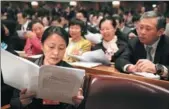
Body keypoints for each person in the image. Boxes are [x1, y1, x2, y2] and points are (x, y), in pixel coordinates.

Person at [10, 26, 84, 109]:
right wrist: (22, 102)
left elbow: (80, 105)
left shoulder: (72, 73)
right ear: (42, 46)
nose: (56, 53)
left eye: (61, 48)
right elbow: (13, 103)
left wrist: (76, 103)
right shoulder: (27, 68)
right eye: (51, 47)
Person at [115, 11, 169, 81]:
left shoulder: (167, 44)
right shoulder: (134, 42)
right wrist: (131, 67)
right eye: (141, 27)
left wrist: (157, 69)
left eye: (148, 29)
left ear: (160, 32)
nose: (142, 32)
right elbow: (120, 60)